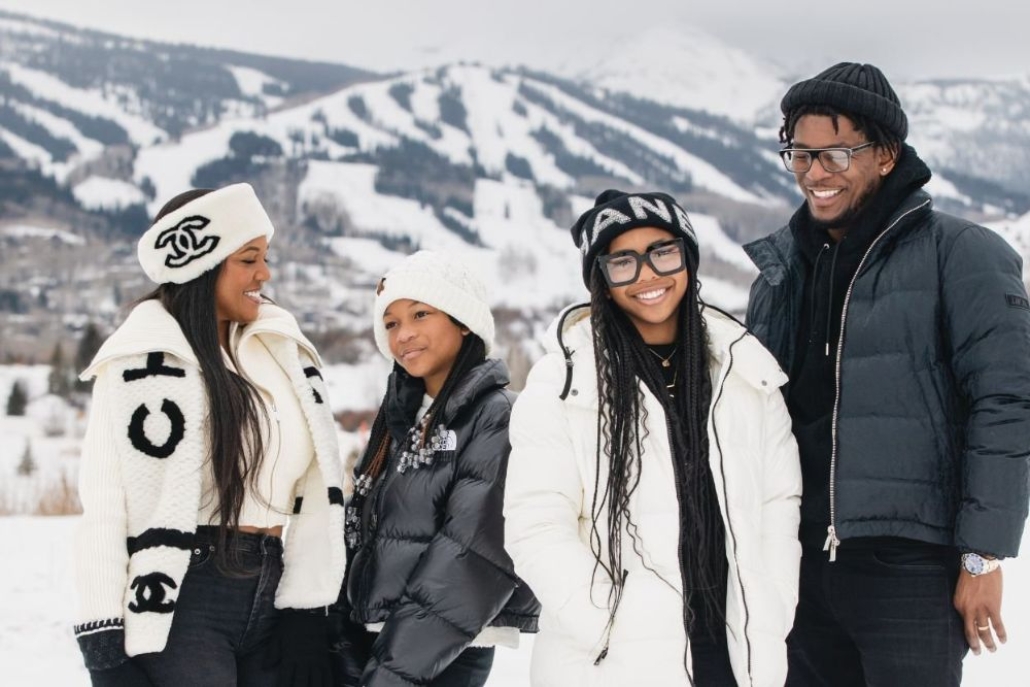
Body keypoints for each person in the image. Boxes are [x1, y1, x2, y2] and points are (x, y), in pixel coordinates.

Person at [744, 62, 1030, 686]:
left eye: (837, 153)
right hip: (796, 564)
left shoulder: (961, 253)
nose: (814, 172)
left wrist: (983, 555)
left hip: (911, 570)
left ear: (886, 154)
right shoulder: (779, 273)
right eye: (800, 152)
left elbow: (1006, 402)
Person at [504, 189, 802, 687]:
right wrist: (608, 623)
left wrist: (771, 604)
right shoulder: (565, 384)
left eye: (663, 252)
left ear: (688, 258)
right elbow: (536, 526)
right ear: (600, 277)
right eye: (623, 262)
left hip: (733, 651)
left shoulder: (743, 373)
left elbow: (778, 500)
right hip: (612, 662)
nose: (648, 275)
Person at [73, 183, 347, 687]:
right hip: (184, 600)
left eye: (265, 258)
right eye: (249, 259)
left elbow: (317, 485)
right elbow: (105, 505)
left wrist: (308, 609)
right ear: (202, 265)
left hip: (274, 586)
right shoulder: (139, 363)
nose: (264, 274)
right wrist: (103, 650)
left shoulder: (279, 350)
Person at [335, 250, 539, 687]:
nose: (403, 335)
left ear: (464, 321)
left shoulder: (497, 415)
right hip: (384, 641)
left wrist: (392, 673)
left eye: (420, 314)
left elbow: (473, 554)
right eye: (390, 324)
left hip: (446, 649)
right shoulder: (400, 421)